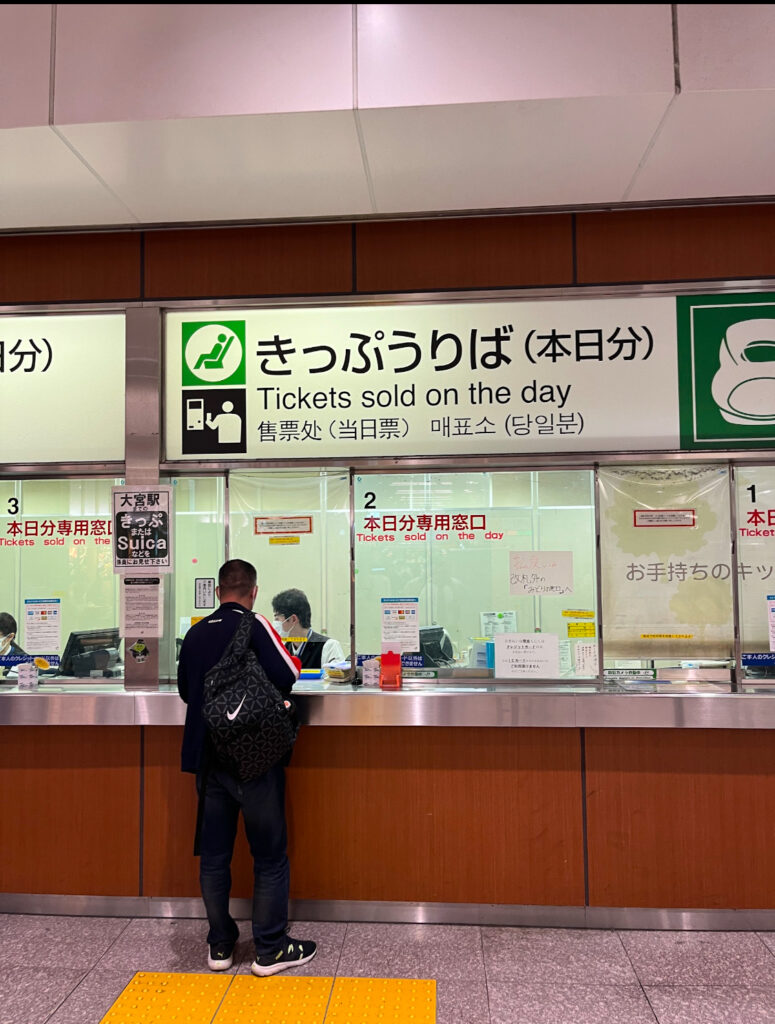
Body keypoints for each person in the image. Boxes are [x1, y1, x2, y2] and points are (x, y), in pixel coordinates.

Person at [177, 559, 317, 976]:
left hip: (211, 760)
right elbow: (288, 674)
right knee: (270, 856)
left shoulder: (196, 633)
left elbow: (188, 692)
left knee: (215, 855)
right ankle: (270, 948)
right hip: (256, 757)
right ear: (253, 591)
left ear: (219, 591)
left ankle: (220, 946)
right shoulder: (255, 626)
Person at [271, 589, 345, 669]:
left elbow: (337, 679)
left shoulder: (329, 647)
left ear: (293, 619)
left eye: (277, 618)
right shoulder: (284, 649)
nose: (275, 623)